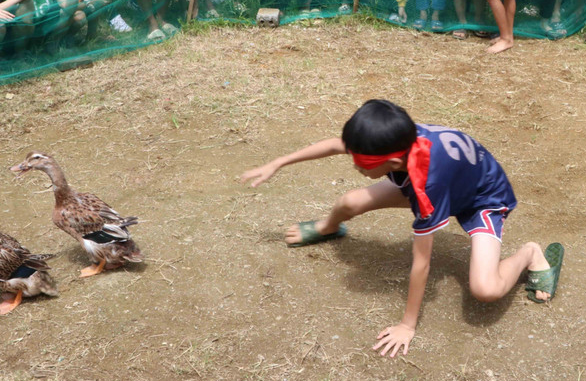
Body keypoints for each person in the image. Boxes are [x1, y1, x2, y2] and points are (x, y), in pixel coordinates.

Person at [240, 99, 564, 357]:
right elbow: (334, 145)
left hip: (481, 198)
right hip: (445, 179)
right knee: (350, 202)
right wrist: (278, 162)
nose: (353, 165)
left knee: (485, 289)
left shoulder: (426, 187)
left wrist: (407, 325)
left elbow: (422, 263)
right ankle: (327, 227)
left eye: (361, 164)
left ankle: (529, 254)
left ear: (393, 163)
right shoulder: (394, 139)